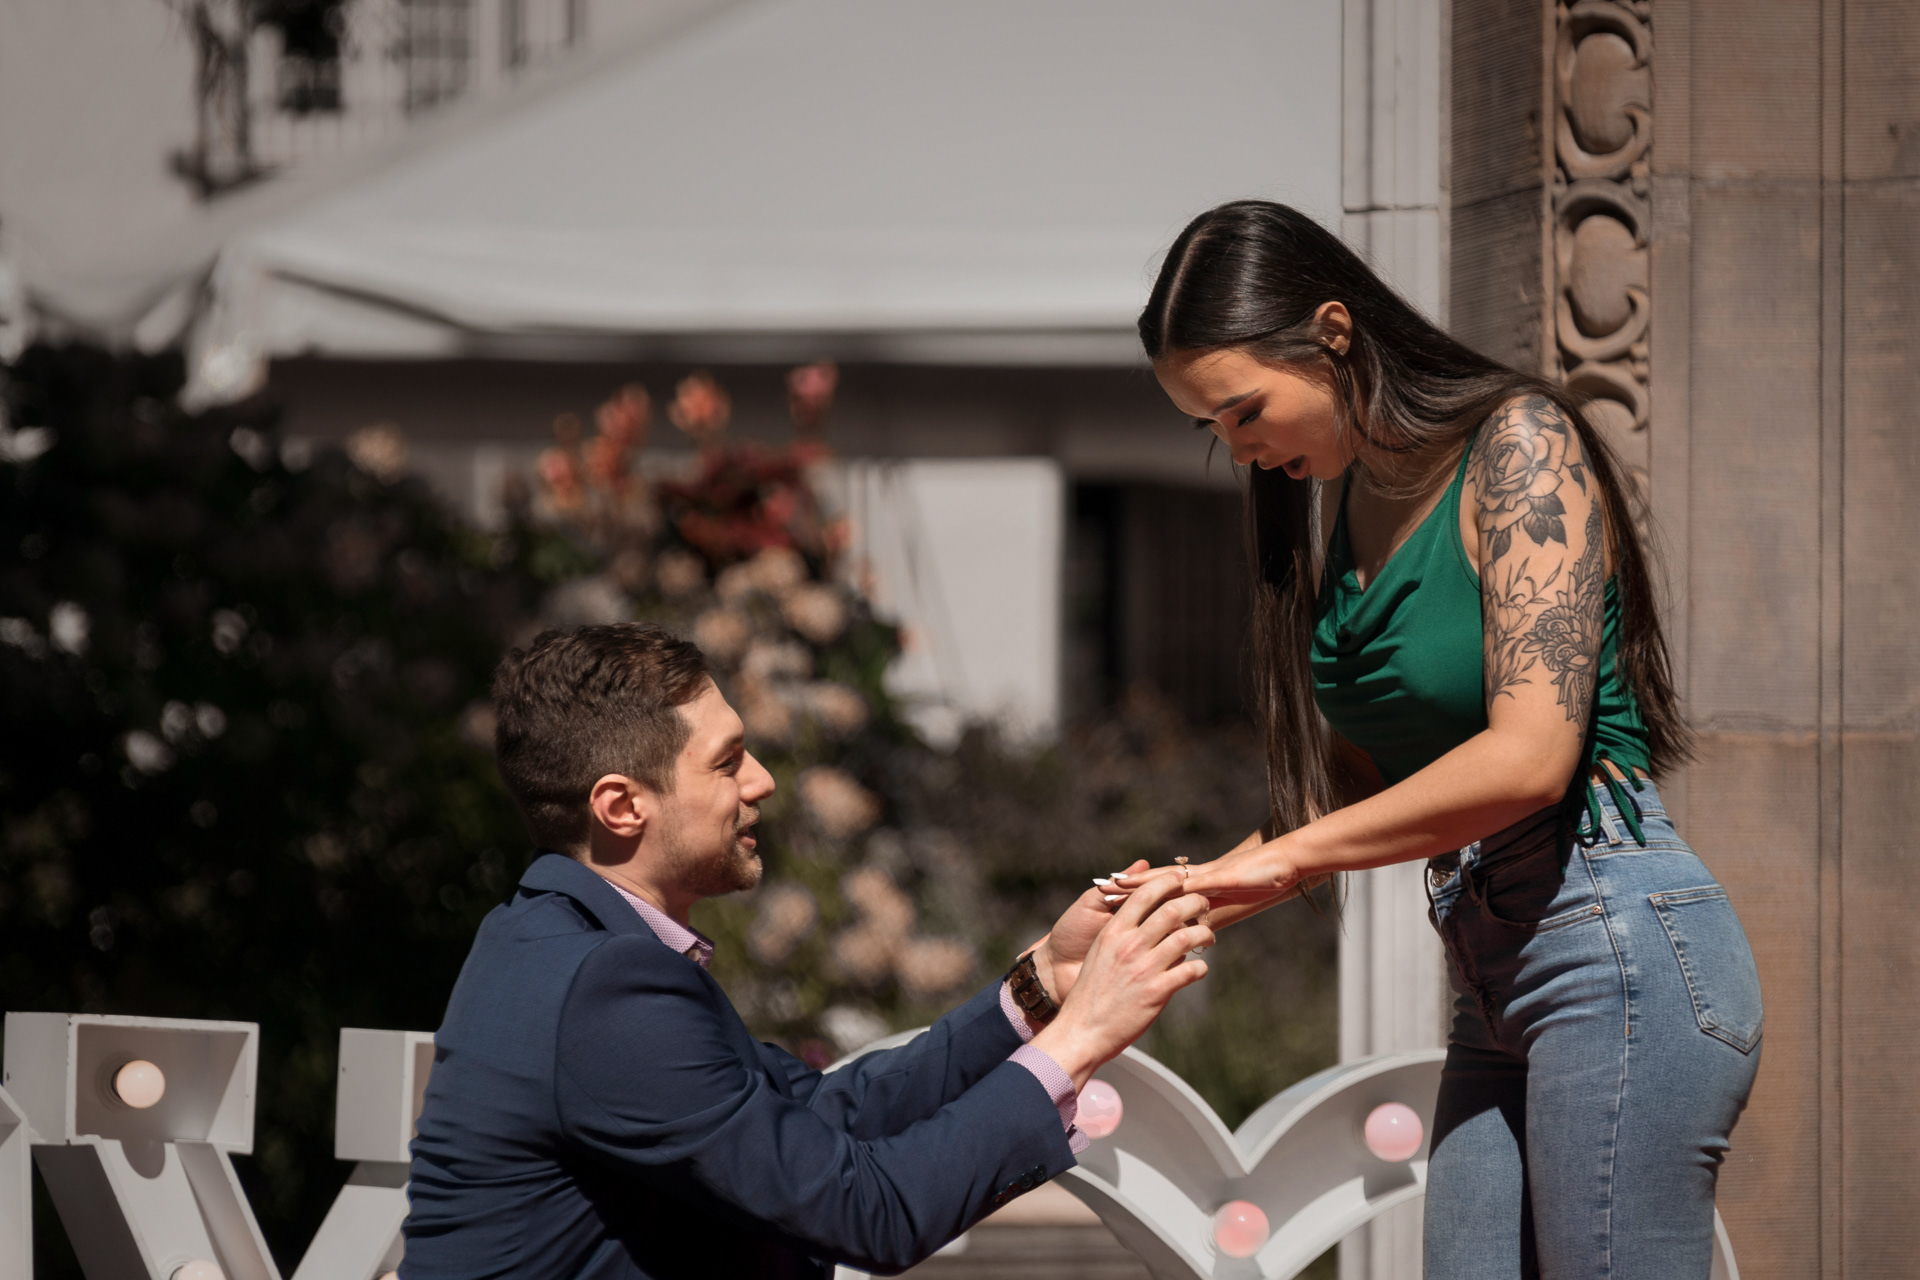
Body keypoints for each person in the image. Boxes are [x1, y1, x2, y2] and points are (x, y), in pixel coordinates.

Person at [1106, 201, 1762, 1279]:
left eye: (1243, 409)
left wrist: (1287, 859)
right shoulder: (1350, 501)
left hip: (1614, 947)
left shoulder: (1522, 447)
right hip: (1495, 968)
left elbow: (1531, 757)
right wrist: (1198, 890)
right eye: (1209, 428)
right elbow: (1371, 780)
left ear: (1332, 332)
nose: (1239, 448)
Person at [402, 622, 1213, 1280]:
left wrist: (1040, 987)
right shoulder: (601, 987)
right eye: (726, 763)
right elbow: (870, 1213)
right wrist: (1082, 1036)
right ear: (621, 807)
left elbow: (820, 1117)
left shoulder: (557, 944)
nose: (762, 781)